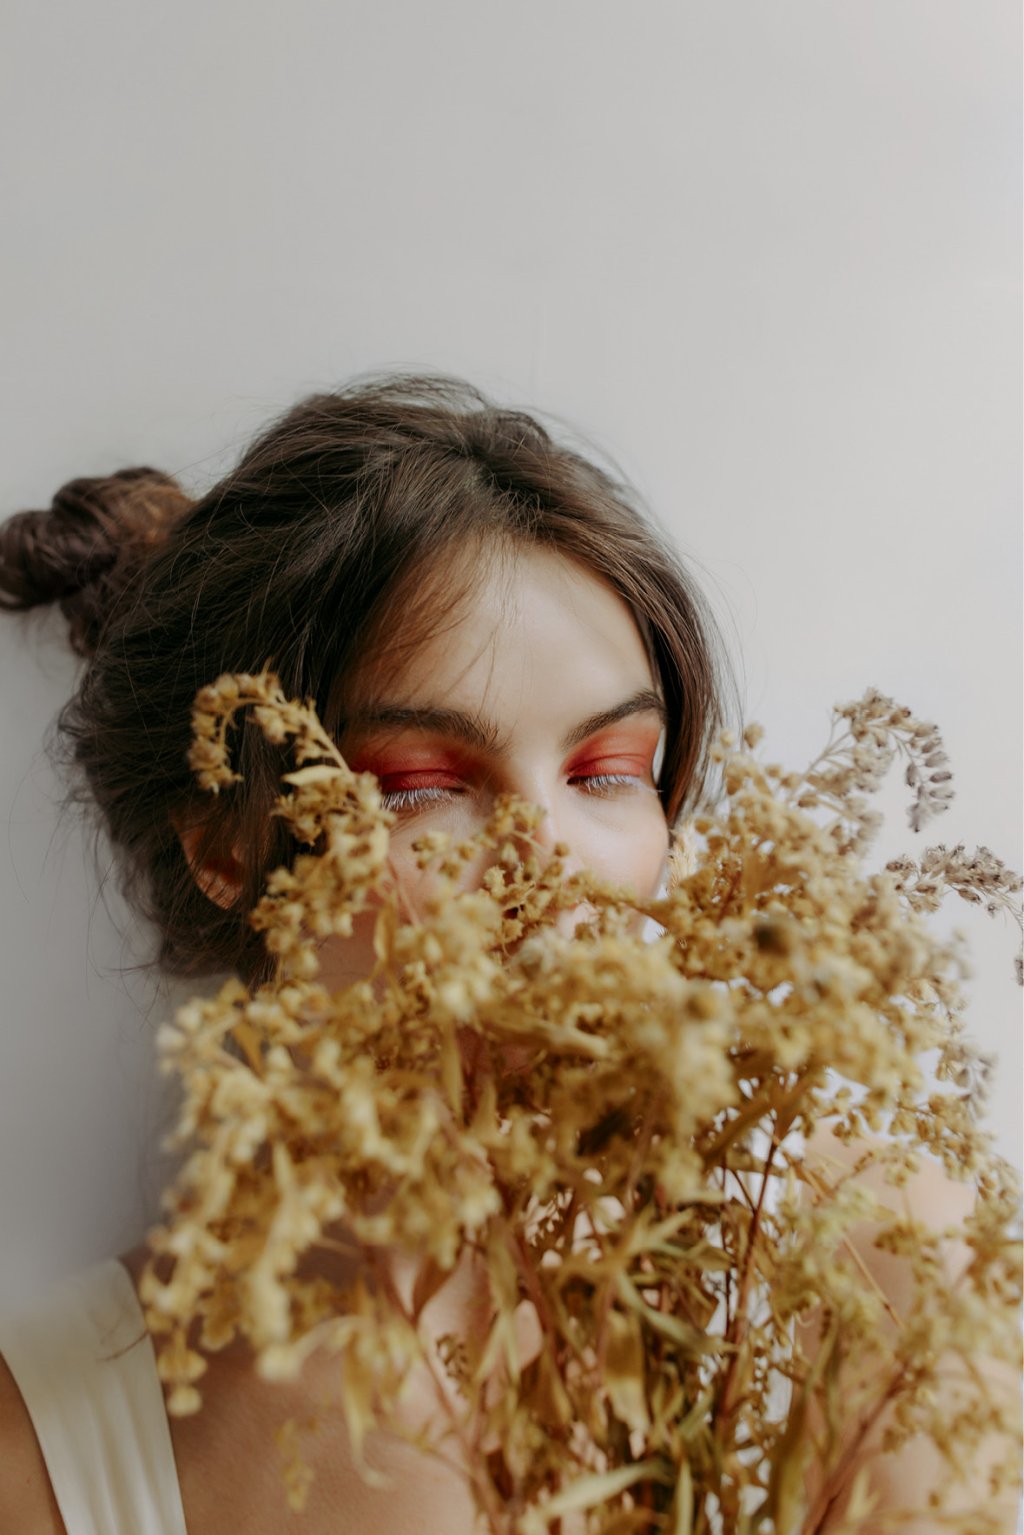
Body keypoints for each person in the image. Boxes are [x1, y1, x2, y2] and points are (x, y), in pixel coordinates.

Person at [0, 375, 1014, 1534]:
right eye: (428, 789)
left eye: (607, 772)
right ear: (228, 848)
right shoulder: (43, 1447)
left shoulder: (879, 1262)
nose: (553, 865)